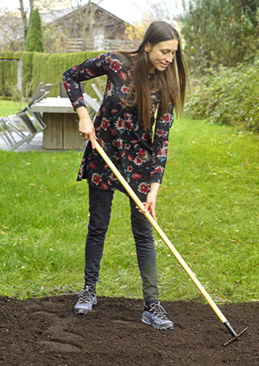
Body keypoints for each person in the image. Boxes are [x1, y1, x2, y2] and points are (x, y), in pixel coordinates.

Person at [62, 21, 187, 330]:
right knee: (98, 225)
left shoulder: (167, 84)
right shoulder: (115, 63)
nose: (169, 58)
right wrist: (83, 116)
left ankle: (152, 306)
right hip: (104, 154)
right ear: (147, 46)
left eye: (173, 53)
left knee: (144, 233)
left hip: (139, 165)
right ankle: (89, 290)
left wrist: (154, 188)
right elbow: (71, 77)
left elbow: (162, 140)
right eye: (164, 51)